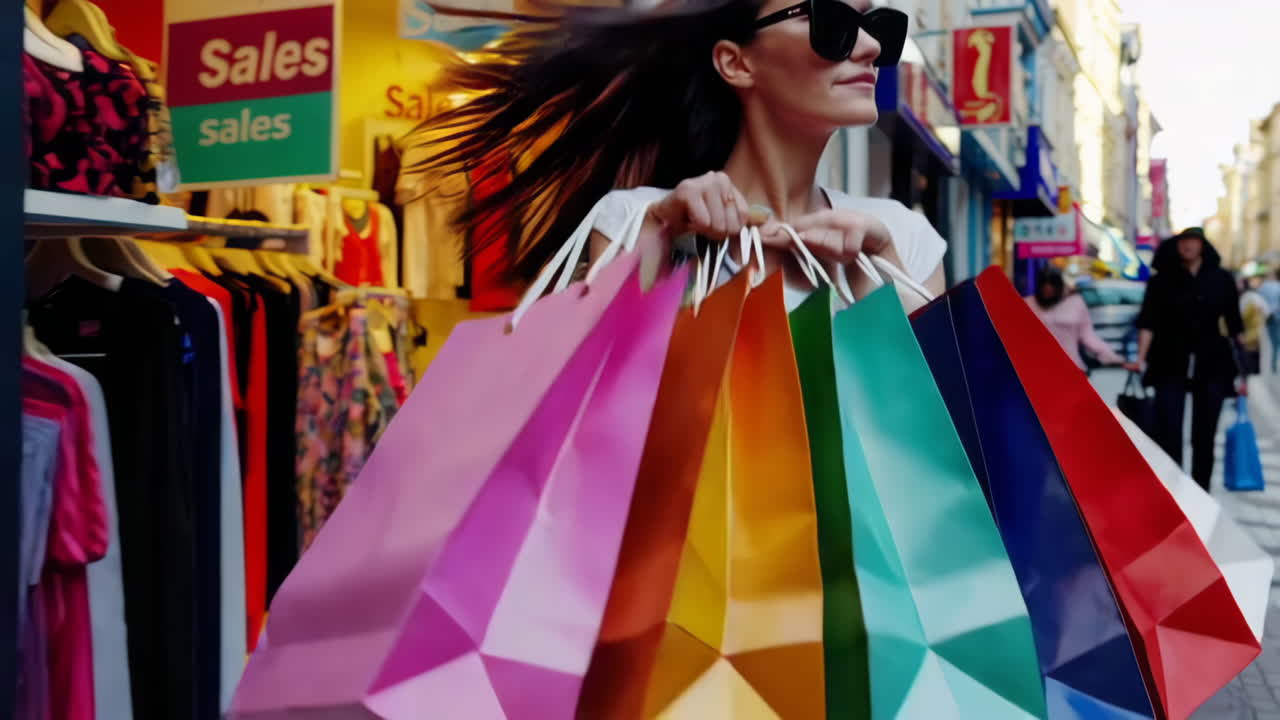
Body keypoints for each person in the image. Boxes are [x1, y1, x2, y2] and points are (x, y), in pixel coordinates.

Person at [404, 0, 945, 315]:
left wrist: (878, 273)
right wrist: (661, 236)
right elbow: (595, 410)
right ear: (736, 63)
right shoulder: (634, 221)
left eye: (878, 26)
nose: (870, 47)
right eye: (828, 21)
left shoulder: (903, 239)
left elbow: (931, 452)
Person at [1125, 228, 1245, 491]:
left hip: (1211, 361)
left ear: (1203, 246)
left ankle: (1202, 490)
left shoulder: (1221, 279)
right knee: (1168, 431)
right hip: (1169, 360)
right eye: (1183, 242)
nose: (1187, 246)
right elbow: (1148, 322)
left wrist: (1244, 371)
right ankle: (1174, 492)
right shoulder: (1162, 281)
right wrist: (1140, 359)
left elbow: (1235, 325)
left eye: (1193, 241)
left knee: (1205, 435)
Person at [1024, 267, 1124, 371]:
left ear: (1060, 285)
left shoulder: (1075, 303)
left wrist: (1111, 356)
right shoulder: (1026, 304)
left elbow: (1088, 336)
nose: (1047, 288)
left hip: (1071, 368)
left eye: (1052, 284)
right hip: (1034, 370)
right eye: (1044, 283)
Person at [1240, 275, 1269, 376]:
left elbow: (1241, 315)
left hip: (1249, 328)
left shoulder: (1244, 298)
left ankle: (1251, 369)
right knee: (1255, 348)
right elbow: (1266, 311)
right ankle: (1256, 369)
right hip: (1257, 328)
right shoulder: (1256, 297)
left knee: (1249, 349)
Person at [1259, 269, 1280, 372]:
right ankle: (1274, 363)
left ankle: (1274, 363)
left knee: (1274, 341)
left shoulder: (1263, 287)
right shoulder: (1278, 286)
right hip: (1277, 315)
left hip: (1268, 317)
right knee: (1277, 341)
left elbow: (1259, 302)